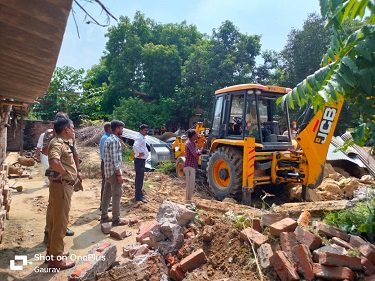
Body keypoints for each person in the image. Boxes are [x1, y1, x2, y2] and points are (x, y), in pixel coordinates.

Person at [43, 112, 80, 244]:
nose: (74, 130)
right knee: (59, 220)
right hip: (61, 185)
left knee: (58, 218)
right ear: (65, 128)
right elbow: (53, 161)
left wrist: (76, 171)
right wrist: (65, 173)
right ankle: (56, 256)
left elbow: (73, 155)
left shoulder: (66, 141)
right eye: (72, 128)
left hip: (62, 184)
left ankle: (52, 250)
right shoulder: (56, 141)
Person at [101, 120, 128, 226]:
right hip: (113, 173)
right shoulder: (114, 141)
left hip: (107, 172)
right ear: (117, 129)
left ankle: (104, 217)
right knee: (117, 195)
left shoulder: (108, 139)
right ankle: (116, 219)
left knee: (106, 195)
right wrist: (119, 175)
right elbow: (115, 160)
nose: (122, 131)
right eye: (121, 129)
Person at [183, 129, 205, 205]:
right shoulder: (190, 143)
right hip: (189, 166)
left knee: (191, 185)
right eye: (196, 134)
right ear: (193, 136)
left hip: (191, 166)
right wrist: (203, 148)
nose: (197, 135)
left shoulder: (192, 143)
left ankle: (188, 201)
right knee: (189, 185)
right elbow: (195, 154)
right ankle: (187, 202)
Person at [133, 124, 149, 203]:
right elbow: (135, 146)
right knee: (139, 178)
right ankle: (138, 196)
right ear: (141, 130)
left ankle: (139, 194)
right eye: (145, 130)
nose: (147, 132)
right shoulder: (139, 138)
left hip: (141, 160)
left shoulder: (142, 137)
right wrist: (138, 154)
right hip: (139, 161)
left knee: (140, 178)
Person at [99, 122, 112, 209]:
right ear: (108, 129)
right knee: (106, 184)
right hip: (106, 163)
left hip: (106, 163)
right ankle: (103, 205)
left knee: (107, 183)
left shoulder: (107, 137)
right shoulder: (105, 138)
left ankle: (105, 202)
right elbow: (104, 154)